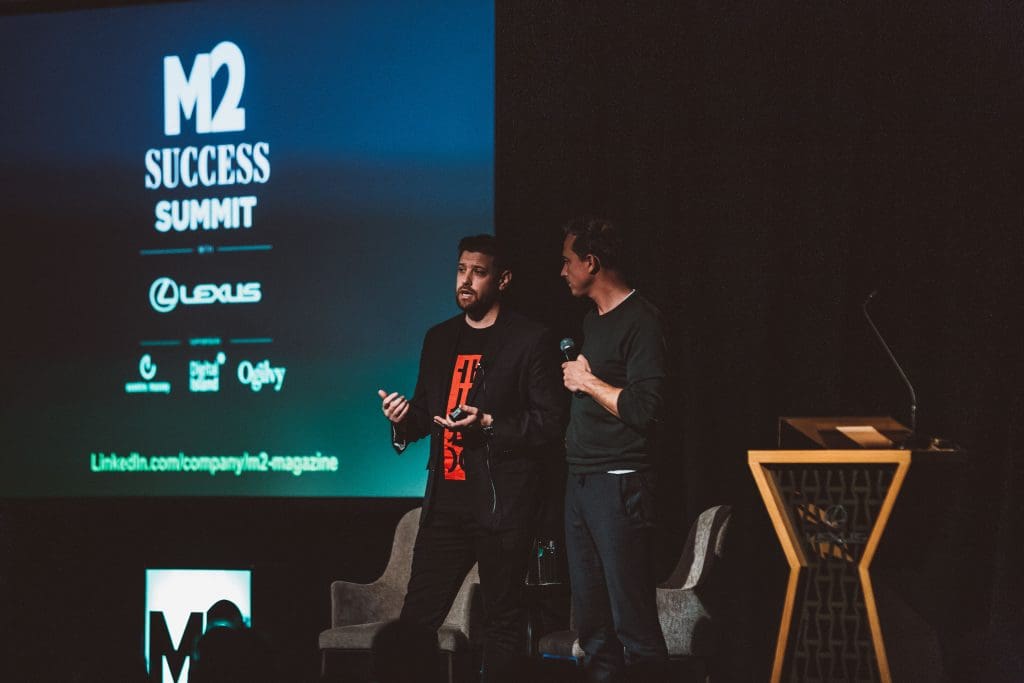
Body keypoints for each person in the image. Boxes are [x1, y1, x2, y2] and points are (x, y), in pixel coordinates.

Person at [377, 234, 565, 682]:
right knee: (416, 621)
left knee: (502, 622)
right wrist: (402, 420)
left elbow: (549, 424)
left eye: (478, 272)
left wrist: (489, 424)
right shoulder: (440, 338)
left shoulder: (529, 339)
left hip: (502, 507)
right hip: (446, 505)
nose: (466, 281)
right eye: (461, 270)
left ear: (503, 279)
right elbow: (426, 415)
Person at [558, 217, 669, 683]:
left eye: (568, 261)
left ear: (591, 262)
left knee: (633, 624)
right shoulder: (591, 320)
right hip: (581, 482)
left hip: (619, 485)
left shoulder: (642, 320)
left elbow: (646, 409)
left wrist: (587, 382)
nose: (562, 271)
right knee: (593, 627)